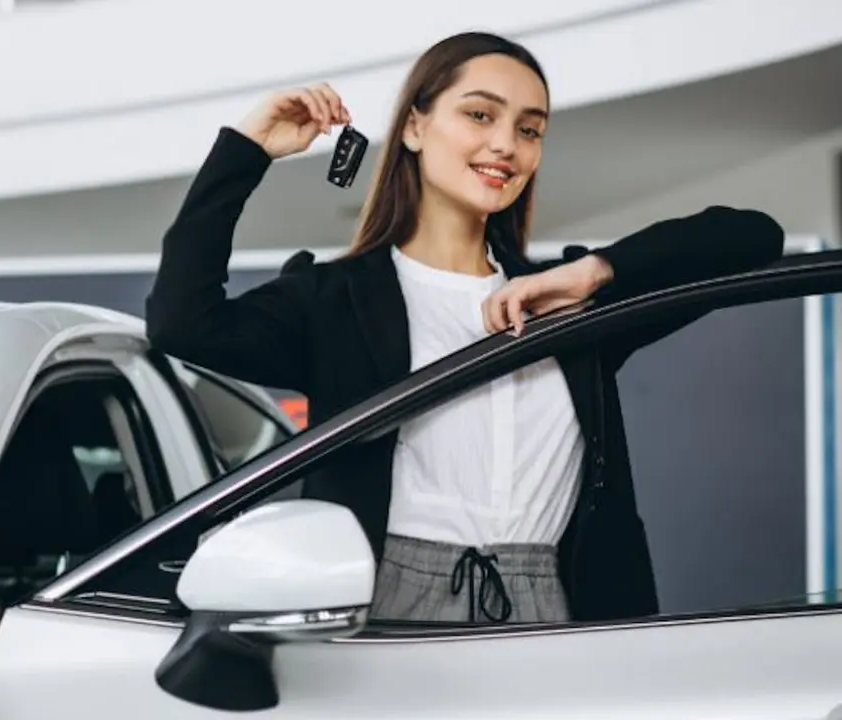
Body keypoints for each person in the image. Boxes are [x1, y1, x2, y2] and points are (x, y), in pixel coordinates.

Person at [144, 31, 785, 624]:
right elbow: (182, 323)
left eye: (529, 129)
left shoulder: (565, 301)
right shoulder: (336, 300)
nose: (507, 144)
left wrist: (595, 272)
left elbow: (753, 236)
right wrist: (247, 150)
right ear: (416, 127)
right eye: (480, 115)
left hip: (559, 606)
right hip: (384, 603)